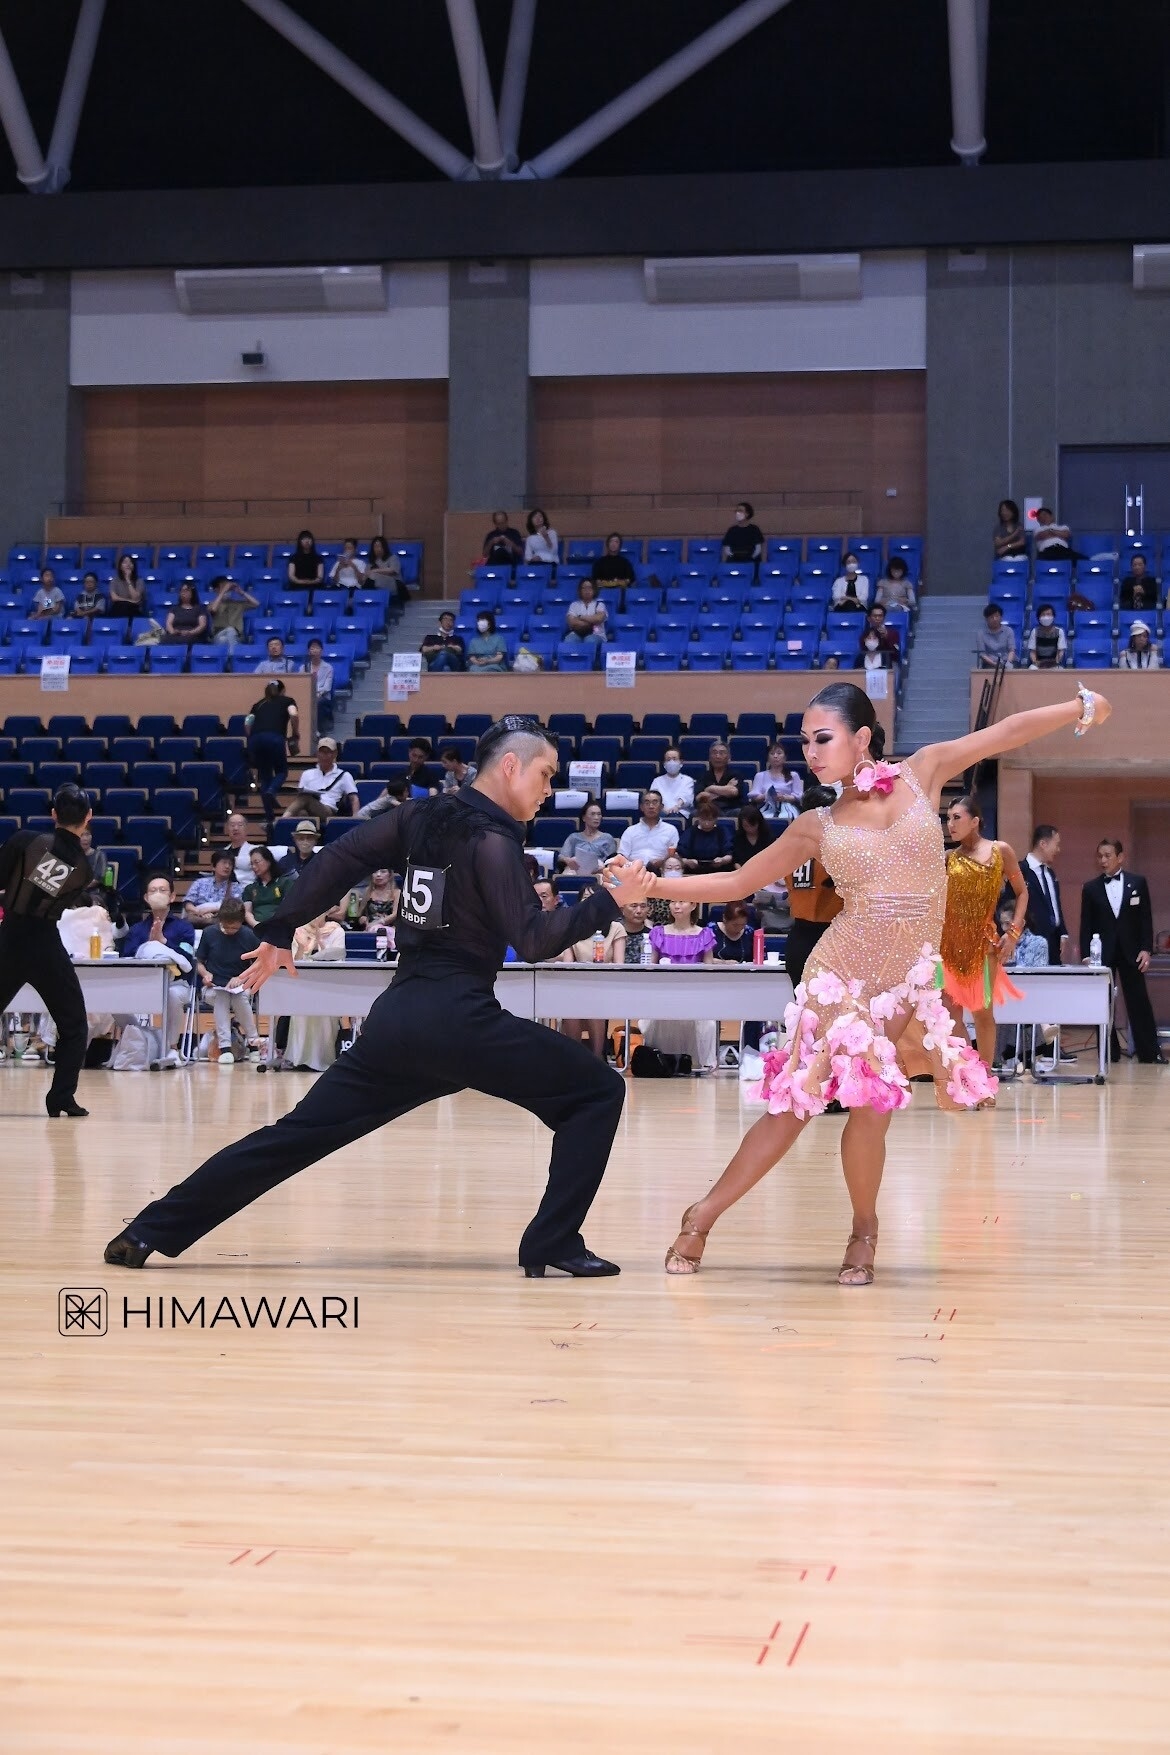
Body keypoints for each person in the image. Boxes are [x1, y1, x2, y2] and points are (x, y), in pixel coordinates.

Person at [615, 678, 1112, 1288]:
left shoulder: (924, 772)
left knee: (872, 1109)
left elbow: (1004, 732)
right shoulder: (815, 824)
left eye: (822, 738)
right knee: (796, 1106)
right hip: (838, 972)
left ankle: (864, 1228)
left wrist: (1079, 706)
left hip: (903, 982)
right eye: (804, 742)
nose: (810, 753)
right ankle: (703, 1216)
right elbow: (738, 882)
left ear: (863, 738)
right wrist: (653, 887)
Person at [104, 715, 634, 1280]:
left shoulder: (418, 815)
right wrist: (608, 901)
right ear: (510, 766)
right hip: (459, 1021)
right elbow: (534, 941)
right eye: (545, 774)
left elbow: (339, 858)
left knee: (295, 1137)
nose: (549, 789)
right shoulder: (494, 841)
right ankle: (552, 1241)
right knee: (597, 1091)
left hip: (398, 1019)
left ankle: (149, 1230)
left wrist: (280, 928)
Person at [0, 783, 94, 1117]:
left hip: (9, 939)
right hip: (45, 944)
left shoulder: (25, 840)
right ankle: (61, 1099)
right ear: (88, 817)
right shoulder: (84, 868)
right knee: (73, 1025)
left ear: (53, 814)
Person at [938, 796, 1028, 1084]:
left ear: (975, 820)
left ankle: (985, 1080)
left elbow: (1022, 893)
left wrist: (1013, 933)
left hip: (983, 943)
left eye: (957, 817)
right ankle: (969, 1075)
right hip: (947, 945)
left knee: (982, 1014)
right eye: (948, 818)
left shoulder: (1000, 850)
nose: (950, 824)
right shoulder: (948, 858)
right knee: (949, 1016)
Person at [1080, 839, 1164, 1064]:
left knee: (1139, 1000)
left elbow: (1145, 919)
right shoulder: (1091, 888)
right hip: (1102, 953)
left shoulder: (1138, 882)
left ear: (1120, 857)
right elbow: (1086, 924)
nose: (1103, 860)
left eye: (1108, 855)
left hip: (1131, 951)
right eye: (1100, 856)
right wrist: (1086, 955)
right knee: (1103, 1002)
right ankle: (1109, 1052)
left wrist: (1146, 949)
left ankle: (1150, 1052)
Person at [120, 873, 195, 1061]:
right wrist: (148, 945)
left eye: (162, 890)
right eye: (153, 891)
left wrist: (163, 942)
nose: (158, 894)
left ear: (172, 896)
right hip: (142, 984)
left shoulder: (184, 928)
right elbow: (127, 957)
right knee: (115, 996)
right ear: (146, 898)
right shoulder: (137, 929)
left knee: (172, 995)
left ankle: (172, 1047)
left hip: (176, 984)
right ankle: (141, 1040)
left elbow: (187, 957)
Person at [643, 899, 718, 1072]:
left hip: (695, 994)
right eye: (673, 902)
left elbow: (709, 970)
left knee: (707, 1023)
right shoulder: (658, 932)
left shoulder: (704, 934)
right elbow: (651, 968)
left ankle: (697, 1062)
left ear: (693, 905)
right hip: (664, 993)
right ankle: (660, 1060)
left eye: (682, 902)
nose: (676, 906)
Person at [779, 785, 842, 985]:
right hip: (830, 939)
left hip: (799, 939)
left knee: (802, 1001)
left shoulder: (788, 847)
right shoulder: (834, 850)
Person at [559, 881, 627, 1058]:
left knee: (593, 1006)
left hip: (605, 984)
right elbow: (568, 964)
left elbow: (619, 964)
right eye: (586, 898)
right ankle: (574, 1059)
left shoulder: (616, 928)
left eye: (595, 898)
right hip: (577, 984)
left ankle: (597, 1058)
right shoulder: (571, 928)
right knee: (570, 1009)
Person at [194, 897, 262, 1064]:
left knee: (237, 997)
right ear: (220, 921)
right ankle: (244, 1045)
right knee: (221, 996)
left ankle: (238, 1045)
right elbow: (199, 963)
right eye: (226, 927)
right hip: (213, 987)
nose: (230, 930)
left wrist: (241, 978)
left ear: (241, 922)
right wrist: (206, 975)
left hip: (241, 986)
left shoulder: (249, 936)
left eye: (235, 927)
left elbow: (258, 965)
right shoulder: (209, 933)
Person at [284, 915, 348, 1073]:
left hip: (328, 986)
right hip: (302, 985)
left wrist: (320, 943)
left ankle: (322, 1059)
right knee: (301, 1007)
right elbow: (293, 964)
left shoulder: (336, 931)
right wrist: (301, 947)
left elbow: (338, 961)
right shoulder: (298, 931)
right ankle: (299, 1059)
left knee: (325, 1011)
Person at [245, 680, 299, 837]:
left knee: (265, 776)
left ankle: (270, 817)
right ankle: (272, 790)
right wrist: (295, 733)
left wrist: (252, 738)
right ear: (282, 691)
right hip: (275, 738)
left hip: (256, 740)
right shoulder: (287, 701)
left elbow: (247, 723)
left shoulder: (258, 704)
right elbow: (293, 714)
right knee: (282, 772)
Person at [280, 735, 357, 825]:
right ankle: (306, 832)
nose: (324, 756)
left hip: (329, 810)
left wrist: (355, 818)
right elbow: (299, 798)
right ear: (317, 753)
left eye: (328, 752)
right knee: (302, 812)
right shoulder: (307, 774)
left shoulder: (344, 775)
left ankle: (281, 822)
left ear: (335, 754)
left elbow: (354, 799)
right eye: (322, 752)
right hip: (309, 807)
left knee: (305, 798)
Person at [1023, 824, 1068, 967]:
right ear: (1043, 844)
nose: (1058, 849)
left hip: (1053, 941)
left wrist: (1063, 932)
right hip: (1030, 941)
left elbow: (1055, 905)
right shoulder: (1021, 871)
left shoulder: (1051, 874)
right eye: (1056, 844)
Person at [617, 790, 679, 868]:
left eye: (655, 803)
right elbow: (622, 856)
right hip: (634, 870)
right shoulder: (630, 831)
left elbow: (673, 856)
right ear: (642, 807)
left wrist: (662, 862)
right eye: (647, 803)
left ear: (661, 807)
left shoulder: (671, 830)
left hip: (661, 870)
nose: (651, 806)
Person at [183, 848, 243, 926]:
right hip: (197, 919)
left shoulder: (236, 887)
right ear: (213, 866)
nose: (227, 866)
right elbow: (188, 904)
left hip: (221, 923)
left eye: (230, 864)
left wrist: (210, 909)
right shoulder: (200, 883)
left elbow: (235, 908)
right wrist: (200, 912)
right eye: (224, 863)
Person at [678, 792, 734, 874]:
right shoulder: (691, 832)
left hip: (718, 872)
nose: (707, 823)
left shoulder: (722, 832)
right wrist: (687, 862)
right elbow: (679, 855)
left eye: (710, 820)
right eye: (703, 819)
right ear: (698, 818)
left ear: (715, 819)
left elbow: (730, 855)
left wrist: (722, 860)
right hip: (694, 872)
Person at [558, 800, 617, 875]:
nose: (596, 817)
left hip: (599, 871)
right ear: (584, 818)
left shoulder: (607, 838)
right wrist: (568, 860)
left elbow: (611, 861)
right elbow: (562, 856)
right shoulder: (573, 837)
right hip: (576, 869)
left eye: (599, 814)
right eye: (592, 814)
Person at [749, 743, 803, 821]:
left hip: (787, 805)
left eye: (779, 753)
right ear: (768, 758)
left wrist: (784, 797)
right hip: (765, 805)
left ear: (785, 758)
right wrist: (767, 796)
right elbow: (755, 797)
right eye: (772, 753)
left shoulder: (793, 775)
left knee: (787, 816)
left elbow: (798, 797)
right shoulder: (760, 775)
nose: (775, 756)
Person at [242, 845, 294, 926]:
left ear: (268, 861)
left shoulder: (285, 883)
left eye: (256, 862)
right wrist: (257, 925)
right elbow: (247, 912)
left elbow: (288, 908)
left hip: (279, 925)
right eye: (251, 864)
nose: (254, 867)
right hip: (256, 927)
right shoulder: (250, 888)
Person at [208, 575, 259, 651]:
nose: (227, 590)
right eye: (223, 587)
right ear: (216, 590)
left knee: (225, 638)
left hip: (237, 636)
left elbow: (256, 604)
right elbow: (213, 610)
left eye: (228, 588)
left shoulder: (238, 604)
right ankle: (233, 656)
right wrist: (222, 592)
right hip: (218, 634)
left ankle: (229, 657)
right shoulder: (212, 604)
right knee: (228, 631)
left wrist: (241, 592)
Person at [695, 741, 746, 814]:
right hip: (709, 810)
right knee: (695, 813)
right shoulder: (703, 775)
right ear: (709, 757)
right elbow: (699, 797)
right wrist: (726, 789)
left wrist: (710, 788)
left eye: (721, 753)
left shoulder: (735, 774)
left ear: (729, 757)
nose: (717, 756)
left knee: (740, 812)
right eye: (714, 753)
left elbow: (733, 792)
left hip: (731, 809)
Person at [651, 747, 694, 817]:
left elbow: (687, 797)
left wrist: (677, 806)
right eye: (668, 760)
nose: (671, 762)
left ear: (681, 762)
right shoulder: (657, 781)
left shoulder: (687, 780)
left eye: (674, 759)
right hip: (661, 813)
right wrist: (663, 809)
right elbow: (653, 797)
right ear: (664, 763)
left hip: (680, 813)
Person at [304, 638, 335, 732]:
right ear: (308, 652)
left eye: (317, 648)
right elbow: (302, 684)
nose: (314, 650)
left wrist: (316, 692)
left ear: (321, 651)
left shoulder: (328, 667)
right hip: (308, 695)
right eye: (312, 648)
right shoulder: (304, 667)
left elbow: (327, 687)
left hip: (323, 696)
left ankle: (318, 730)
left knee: (318, 702)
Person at [366, 535, 406, 608]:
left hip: (392, 585)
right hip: (374, 585)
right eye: (375, 546)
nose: (377, 549)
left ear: (384, 547)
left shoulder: (393, 558)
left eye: (379, 546)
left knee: (373, 577)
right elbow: (367, 575)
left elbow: (393, 570)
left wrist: (375, 570)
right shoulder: (371, 562)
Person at [564, 577, 608, 644]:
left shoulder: (600, 605)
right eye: (584, 588)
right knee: (569, 640)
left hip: (596, 634)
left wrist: (580, 617)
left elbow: (599, 619)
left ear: (594, 590)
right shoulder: (574, 605)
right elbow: (571, 622)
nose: (587, 591)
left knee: (590, 640)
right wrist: (591, 622)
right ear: (580, 590)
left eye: (589, 588)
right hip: (577, 634)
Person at [731, 802, 774, 870]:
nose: (750, 829)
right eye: (746, 826)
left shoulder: (768, 837)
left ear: (759, 823)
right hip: (742, 871)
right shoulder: (738, 837)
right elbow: (736, 861)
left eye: (753, 825)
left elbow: (772, 859)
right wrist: (742, 871)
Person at [163, 580, 207, 645]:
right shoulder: (174, 608)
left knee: (187, 640)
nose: (183, 593)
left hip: (193, 635)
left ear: (192, 593)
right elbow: (168, 623)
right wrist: (173, 631)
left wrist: (190, 632)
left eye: (186, 591)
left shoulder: (199, 608)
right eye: (182, 591)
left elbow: (202, 625)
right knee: (165, 640)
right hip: (176, 634)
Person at [467, 609, 509, 673]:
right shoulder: (473, 641)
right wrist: (478, 663)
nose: (480, 622)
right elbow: (472, 657)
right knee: (473, 669)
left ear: (490, 623)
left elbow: (499, 657)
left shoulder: (499, 639)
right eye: (479, 620)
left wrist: (488, 661)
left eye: (482, 620)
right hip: (478, 666)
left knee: (492, 669)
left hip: (494, 664)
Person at [287, 529, 324, 602]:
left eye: (309, 539)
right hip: (297, 586)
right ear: (299, 541)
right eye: (304, 539)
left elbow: (320, 577)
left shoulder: (318, 558)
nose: (307, 541)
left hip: (314, 586)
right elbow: (291, 576)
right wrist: (301, 582)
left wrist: (310, 582)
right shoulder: (293, 558)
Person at [1027, 604, 1066, 669]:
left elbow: (1060, 651)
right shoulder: (1035, 631)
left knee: (1060, 670)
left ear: (1053, 617)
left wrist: (1055, 662)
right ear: (1039, 618)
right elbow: (1032, 651)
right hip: (1038, 664)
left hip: (1054, 664)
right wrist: (1036, 662)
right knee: (1032, 669)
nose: (1046, 617)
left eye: (1048, 614)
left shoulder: (1059, 631)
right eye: (1043, 614)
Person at [978, 603, 1017, 669]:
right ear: (986, 619)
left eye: (997, 616)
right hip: (990, 663)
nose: (995, 619)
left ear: (1001, 617)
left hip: (1007, 661)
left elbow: (1012, 650)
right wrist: (995, 664)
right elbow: (982, 654)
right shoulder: (981, 634)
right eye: (991, 617)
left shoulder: (1008, 630)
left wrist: (1008, 663)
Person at [107, 554, 146, 620]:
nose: (128, 564)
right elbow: (114, 598)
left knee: (128, 607)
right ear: (120, 566)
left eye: (130, 562)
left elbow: (135, 598)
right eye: (125, 562)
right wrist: (129, 600)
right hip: (118, 608)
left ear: (133, 566)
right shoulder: (114, 581)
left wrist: (128, 580)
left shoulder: (139, 581)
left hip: (134, 609)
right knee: (120, 606)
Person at [225, 813, 258, 887]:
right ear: (227, 829)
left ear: (246, 829)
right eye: (232, 825)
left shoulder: (256, 851)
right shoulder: (223, 852)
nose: (235, 828)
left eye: (240, 825)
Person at [619, 897, 650, 963]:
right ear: (622, 910)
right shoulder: (614, 933)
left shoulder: (652, 936)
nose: (639, 911)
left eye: (643, 906)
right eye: (634, 906)